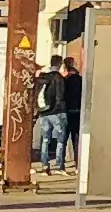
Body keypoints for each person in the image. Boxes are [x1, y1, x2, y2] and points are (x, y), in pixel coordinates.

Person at [35, 43, 82, 173]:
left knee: (45, 140)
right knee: (61, 141)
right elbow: (61, 95)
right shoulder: (59, 78)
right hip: (58, 113)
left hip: (44, 113)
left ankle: (45, 166)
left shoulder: (43, 77)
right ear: (60, 64)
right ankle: (60, 166)